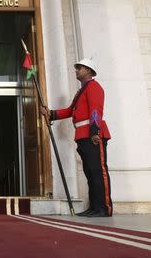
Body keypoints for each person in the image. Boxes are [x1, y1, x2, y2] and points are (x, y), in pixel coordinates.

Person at [41, 58, 113, 217]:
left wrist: (95, 132)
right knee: (89, 173)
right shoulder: (82, 90)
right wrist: (51, 114)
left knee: (98, 172)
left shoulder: (94, 87)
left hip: (93, 134)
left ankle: (104, 208)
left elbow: (96, 110)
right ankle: (94, 207)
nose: (76, 70)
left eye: (79, 68)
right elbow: (70, 111)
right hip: (82, 135)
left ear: (88, 70)